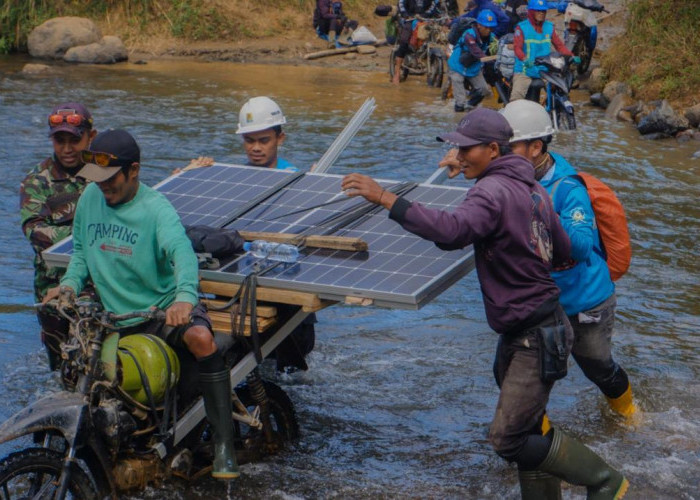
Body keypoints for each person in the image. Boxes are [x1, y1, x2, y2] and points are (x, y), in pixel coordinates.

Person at [341, 108, 629, 499]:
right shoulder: (533, 188)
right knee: (529, 426)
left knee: (507, 439)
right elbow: (562, 251)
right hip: (535, 325)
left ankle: (605, 481)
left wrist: (385, 198)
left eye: (466, 149)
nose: (458, 156)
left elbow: (453, 232)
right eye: (456, 149)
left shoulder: (493, 191)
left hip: (533, 336)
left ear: (494, 149)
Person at [42, 129, 239, 479]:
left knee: (201, 339)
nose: (103, 186)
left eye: (110, 178)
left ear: (133, 170)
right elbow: (82, 252)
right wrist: (68, 285)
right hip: (114, 317)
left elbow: (182, 254)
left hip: (160, 311)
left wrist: (184, 299)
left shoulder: (156, 208)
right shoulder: (90, 198)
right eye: (97, 178)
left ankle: (224, 445)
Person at [501, 99, 638, 419]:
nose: (502, 153)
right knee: (517, 375)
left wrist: (540, 213)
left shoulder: (568, 188)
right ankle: (531, 434)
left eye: (510, 146)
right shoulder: (508, 179)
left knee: (599, 368)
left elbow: (580, 247)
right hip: (537, 302)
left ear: (536, 147)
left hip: (583, 301)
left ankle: (630, 415)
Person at [182, 96, 316, 371]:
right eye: (249, 140)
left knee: (289, 372)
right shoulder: (229, 178)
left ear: (280, 138)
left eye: (264, 140)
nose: (255, 148)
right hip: (240, 285)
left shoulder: (297, 181)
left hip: (282, 286)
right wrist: (190, 176)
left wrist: (317, 187)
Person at [20, 102, 97, 370]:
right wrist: (91, 234)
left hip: (99, 283)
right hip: (53, 286)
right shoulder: (37, 181)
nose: (66, 149)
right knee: (61, 364)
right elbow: (34, 230)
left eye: (74, 140)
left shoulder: (105, 173)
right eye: (59, 141)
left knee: (94, 355)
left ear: (91, 137)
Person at [511, 0, 577, 101]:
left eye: (543, 11)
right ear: (531, 11)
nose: (541, 13)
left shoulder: (549, 27)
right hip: (524, 70)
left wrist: (571, 56)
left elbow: (559, 46)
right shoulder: (521, 27)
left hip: (544, 70)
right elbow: (517, 48)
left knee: (560, 92)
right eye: (538, 11)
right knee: (516, 99)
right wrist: (524, 59)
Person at [447, 9, 498, 113]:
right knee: (460, 101)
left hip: (473, 68)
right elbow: (475, 50)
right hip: (457, 66)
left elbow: (498, 45)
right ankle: (459, 114)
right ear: (479, 25)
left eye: (491, 28)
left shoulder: (492, 38)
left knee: (483, 90)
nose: (488, 30)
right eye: (486, 27)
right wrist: (489, 58)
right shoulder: (469, 35)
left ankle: (469, 107)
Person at [391, 0, 441, 85]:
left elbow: (432, 5)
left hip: (425, 19)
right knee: (404, 41)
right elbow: (401, 4)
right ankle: (397, 72)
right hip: (409, 20)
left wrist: (424, 15)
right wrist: (406, 15)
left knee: (433, 37)